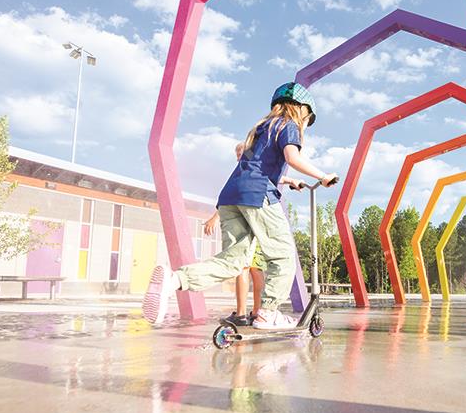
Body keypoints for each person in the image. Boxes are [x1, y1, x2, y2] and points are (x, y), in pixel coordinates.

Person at [142, 82, 338, 329]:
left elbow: (255, 167)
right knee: (284, 256)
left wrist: (289, 180)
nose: (306, 124)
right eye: (307, 118)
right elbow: (292, 157)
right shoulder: (288, 125)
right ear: (300, 109)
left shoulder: (259, 129)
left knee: (232, 262)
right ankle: (268, 313)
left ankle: (174, 280)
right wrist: (322, 176)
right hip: (258, 196)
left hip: (231, 196)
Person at [203, 142, 265, 327]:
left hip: (251, 224)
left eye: (241, 152)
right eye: (236, 154)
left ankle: (242, 314)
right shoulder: (255, 169)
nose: (238, 156)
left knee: (245, 268)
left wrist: (215, 217)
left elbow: (230, 199)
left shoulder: (245, 172)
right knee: (253, 269)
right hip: (257, 224)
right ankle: (256, 312)